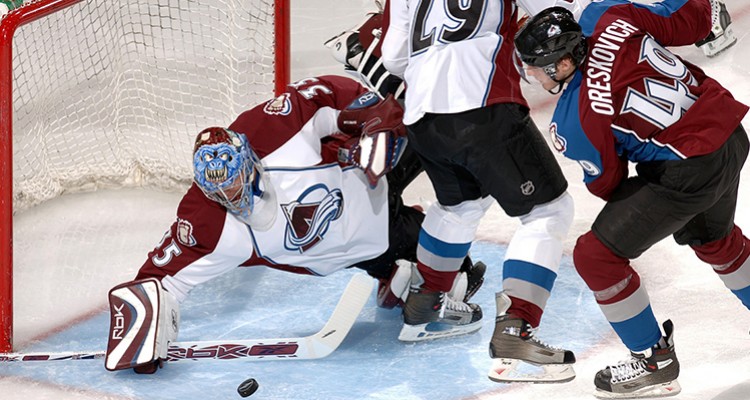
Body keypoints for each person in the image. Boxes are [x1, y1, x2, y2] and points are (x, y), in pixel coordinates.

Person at [103, 75, 486, 374]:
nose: (230, 196)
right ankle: (395, 277)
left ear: (247, 158)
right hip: (374, 244)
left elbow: (325, 96)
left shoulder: (266, 130)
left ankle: (403, 271)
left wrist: (369, 119)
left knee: (447, 125)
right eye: (218, 191)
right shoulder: (207, 221)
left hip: (366, 172)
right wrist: (142, 336)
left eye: (234, 181)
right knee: (458, 277)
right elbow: (161, 279)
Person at [515, 0, 749, 397]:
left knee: (596, 256)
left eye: (534, 65)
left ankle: (651, 359)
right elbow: (686, 18)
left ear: (563, 65)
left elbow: (608, 184)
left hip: (688, 167)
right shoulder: (607, 14)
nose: (529, 73)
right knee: (714, 239)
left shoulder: (574, 118)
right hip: (728, 132)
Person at [380, 0, 577, 383]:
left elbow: (392, 57)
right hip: (483, 104)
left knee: (460, 205)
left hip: (422, 115)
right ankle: (515, 331)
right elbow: (556, 13)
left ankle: (425, 302)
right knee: (548, 211)